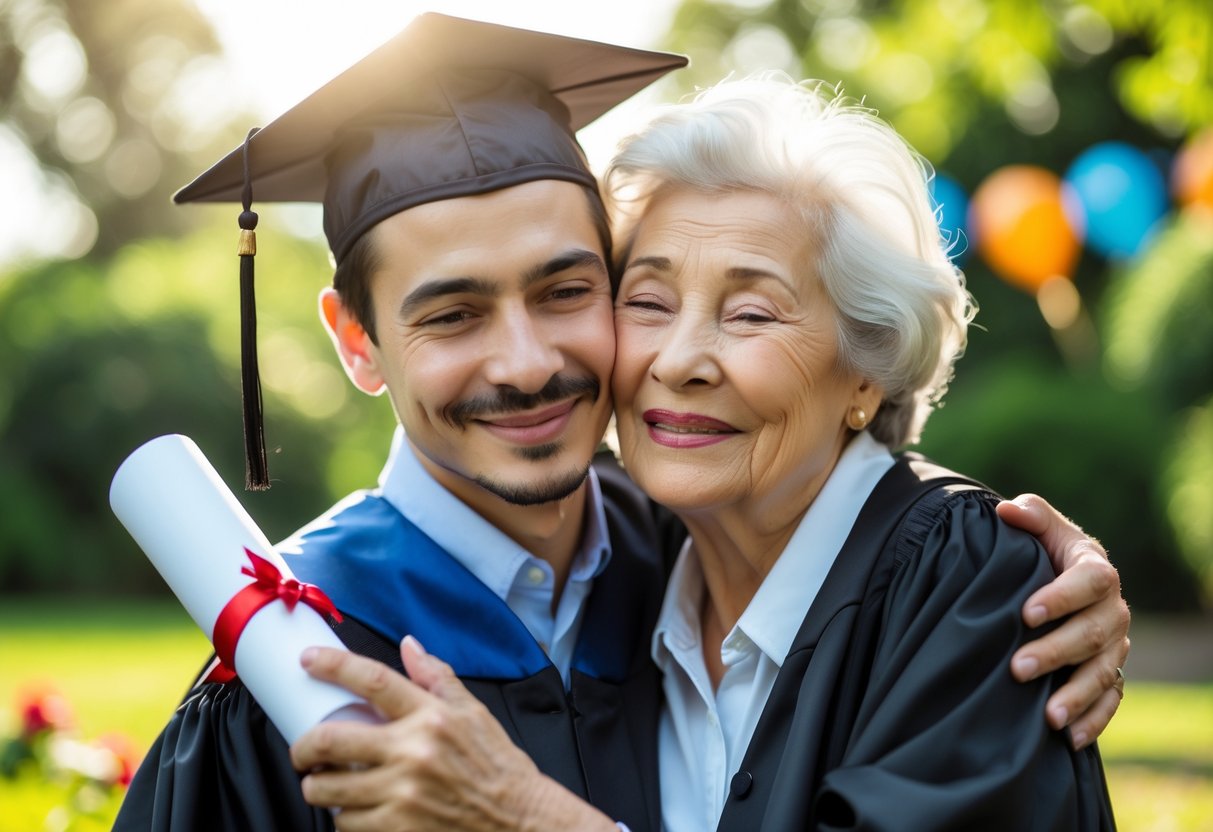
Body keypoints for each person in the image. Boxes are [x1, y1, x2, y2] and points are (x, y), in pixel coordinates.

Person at [116, 14, 1126, 829]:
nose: (526, 363)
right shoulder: (291, 673)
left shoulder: (701, 564)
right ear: (357, 341)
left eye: (566, 290)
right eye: (454, 314)